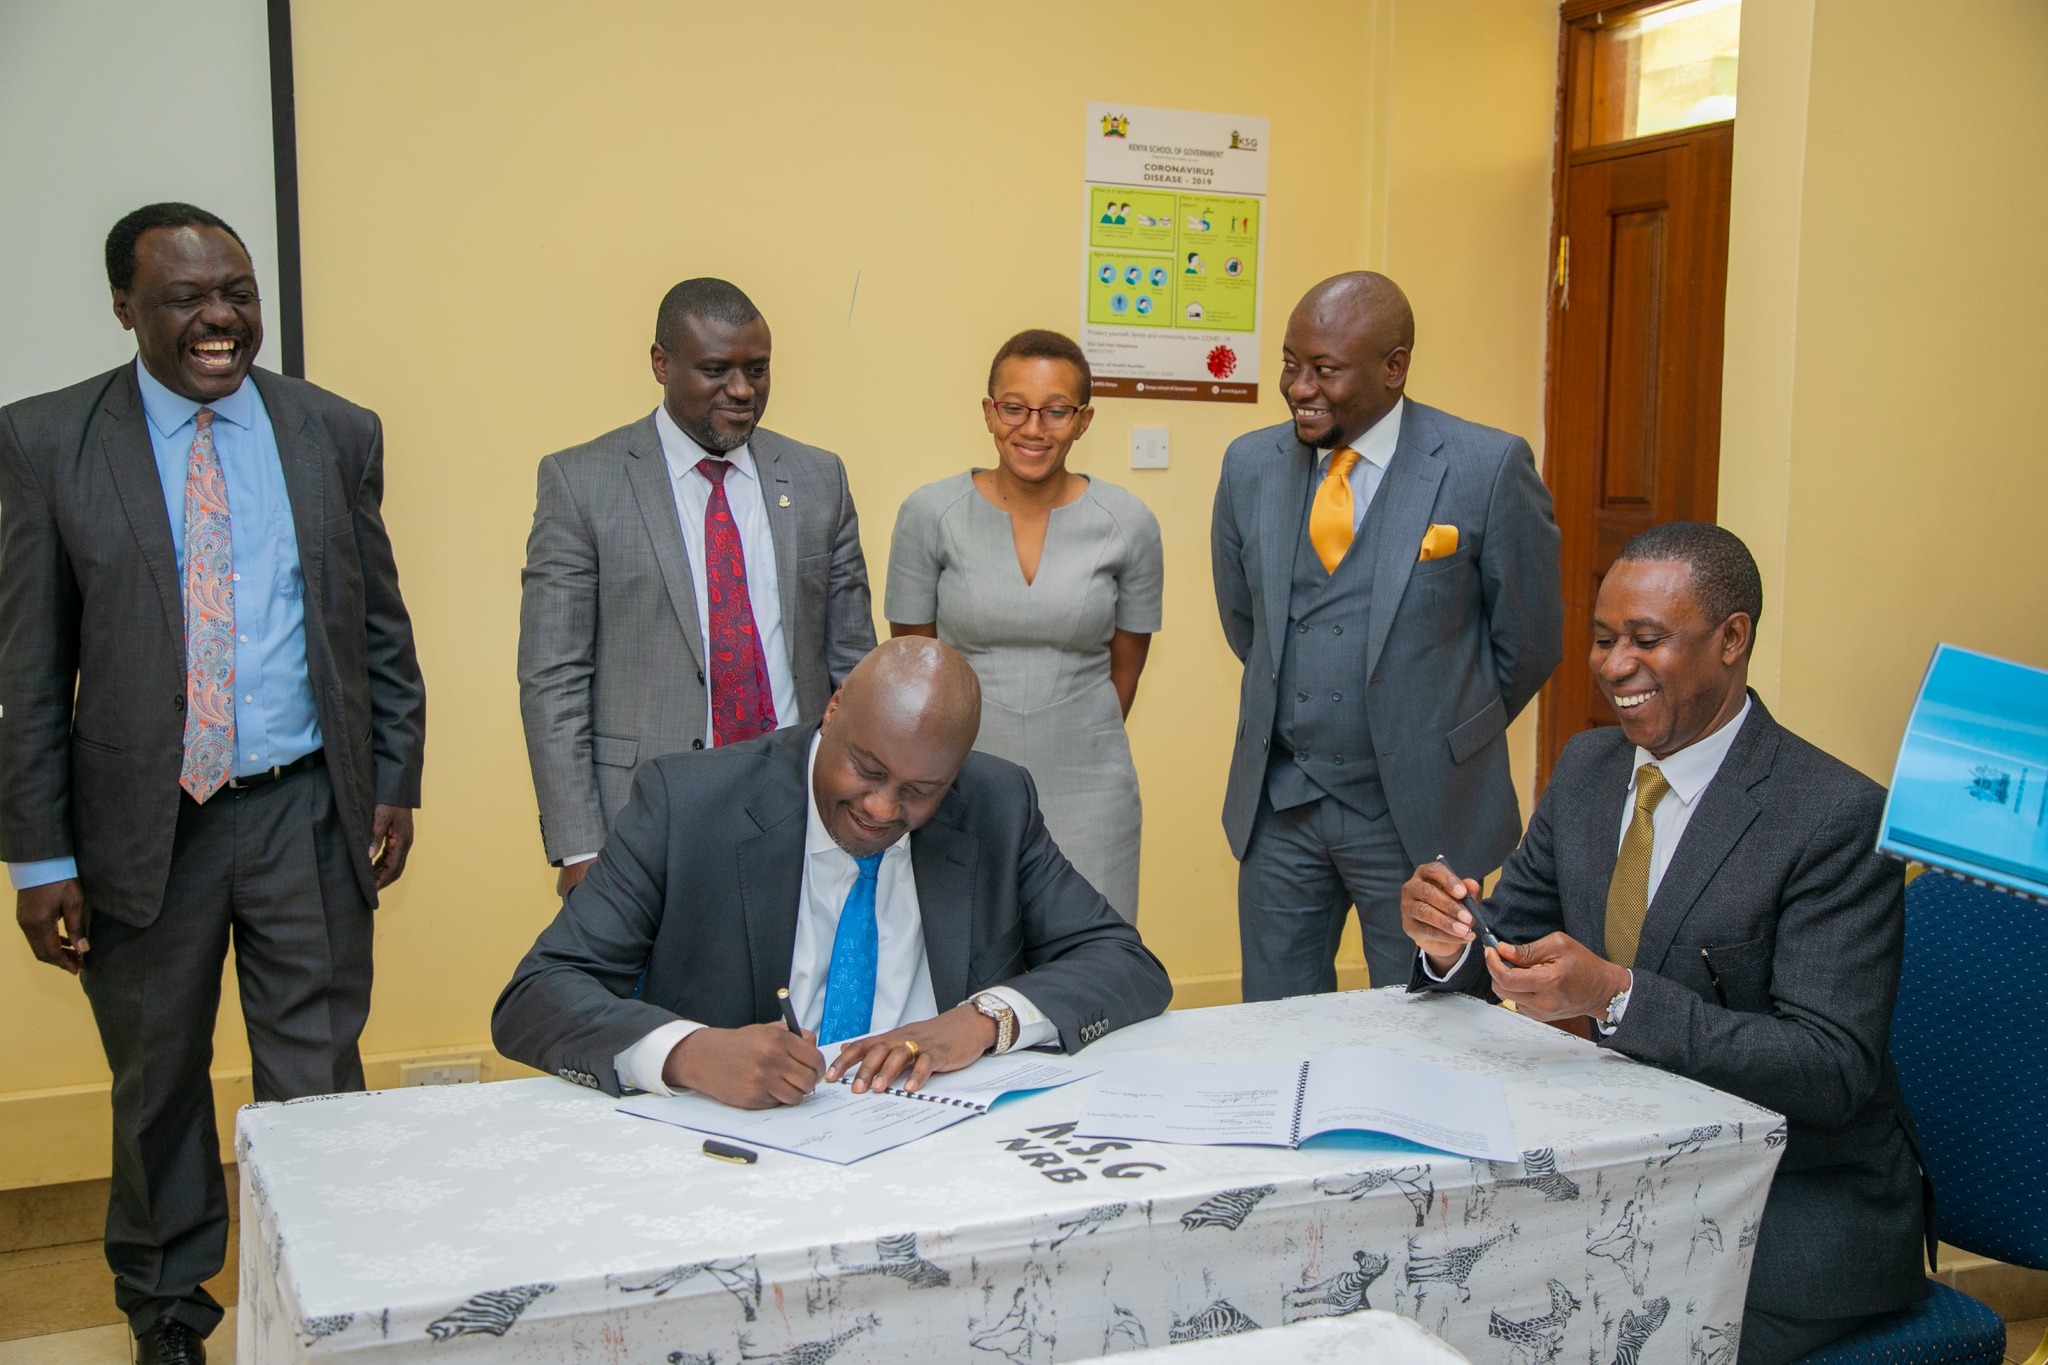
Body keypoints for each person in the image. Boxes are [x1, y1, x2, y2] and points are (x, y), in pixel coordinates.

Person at [0, 203, 427, 1365]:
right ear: (124, 307)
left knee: (313, 1080)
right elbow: (30, 666)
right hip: (143, 827)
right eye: (188, 297)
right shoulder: (45, 442)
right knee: (157, 1087)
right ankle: (169, 1315)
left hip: (304, 808)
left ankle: (322, 1293)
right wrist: (39, 858)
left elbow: (377, 628)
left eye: (235, 290)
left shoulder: (332, 431)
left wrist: (393, 777)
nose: (220, 318)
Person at [1402, 523, 1926, 1365]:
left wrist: (1614, 995)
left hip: (1790, 1201)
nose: (1613, 666)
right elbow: (1515, 934)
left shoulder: (1833, 815)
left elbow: (1830, 1069)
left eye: (1647, 639)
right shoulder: (1588, 767)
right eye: (1605, 639)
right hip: (1620, 1165)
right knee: (1447, 1289)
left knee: (1587, 1328)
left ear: (1732, 638)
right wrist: (1451, 939)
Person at [492, 638, 1172, 1106]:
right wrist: (690, 1053)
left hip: (936, 1153)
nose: (881, 807)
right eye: (868, 769)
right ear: (834, 708)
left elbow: (1125, 961)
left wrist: (980, 1019)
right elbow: (536, 996)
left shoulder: (996, 804)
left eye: (919, 791)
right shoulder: (686, 804)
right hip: (733, 1163)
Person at [1211, 270, 1561, 998]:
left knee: (1426, 1018)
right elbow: (1249, 623)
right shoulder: (1250, 466)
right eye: (1289, 363)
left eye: (1325, 369)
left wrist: (1443, 732)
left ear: (1394, 367)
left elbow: (1528, 641)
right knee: (1275, 1021)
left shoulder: (1485, 467)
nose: (1299, 386)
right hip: (1281, 807)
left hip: (1419, 817)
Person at [519, 278, 874, 895]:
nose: (742, 391)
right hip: (645, 819)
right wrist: (580, 844)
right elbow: (554, 677)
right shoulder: (581, 483)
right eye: (716, 369)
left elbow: (854, 662)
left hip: (799, 807)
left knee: (794, 990)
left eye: (757, 370)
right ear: (661, 363)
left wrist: (867, 806)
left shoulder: (819, 479)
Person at [887, 330, 1161, 921]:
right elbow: (913, 667)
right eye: (1014, 407)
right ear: (989, 412)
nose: (1033, 429)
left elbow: (1127, 669)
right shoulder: (929, 514)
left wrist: (1073, 729)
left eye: (1056, 410)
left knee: (1094, 958)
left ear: (1084, 420)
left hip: (1092, 784)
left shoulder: (1129, 523)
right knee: (967, 957)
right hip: (961, 780)